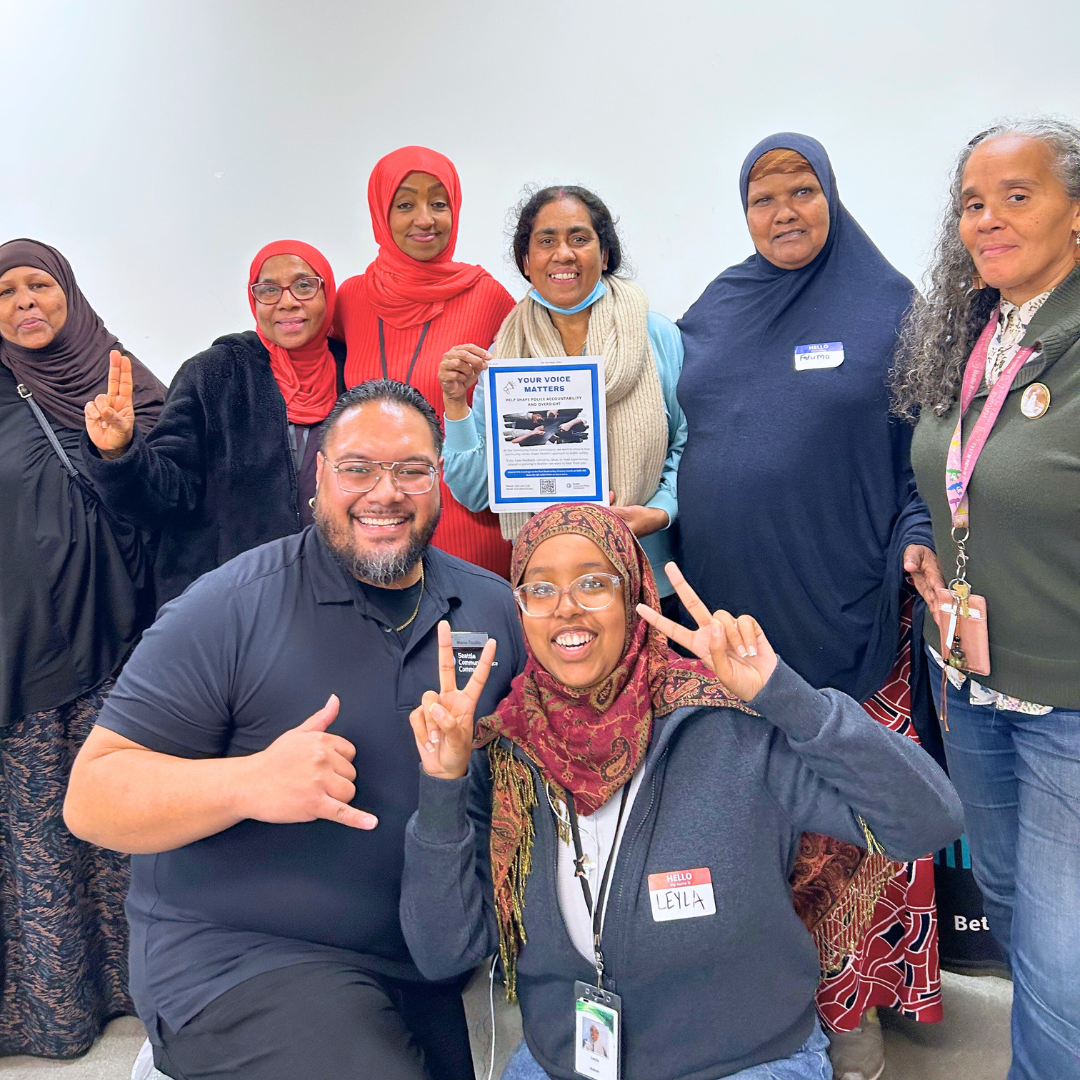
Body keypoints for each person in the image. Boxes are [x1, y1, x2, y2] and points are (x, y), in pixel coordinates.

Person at [400, 503, 962, 1080]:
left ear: (635, 596)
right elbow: (444, 953)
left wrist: (786, 697)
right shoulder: (508, 753)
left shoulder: (729, 723)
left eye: (593, 583)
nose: (566, 607)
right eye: (541, 589)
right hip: (564, 1062)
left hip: (743, 1062)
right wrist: (443, 787)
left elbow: (930, 821)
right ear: (522, 611)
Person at [64, 380, 526, 1080]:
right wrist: (249, 782)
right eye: (358, 468)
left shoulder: (489, 610)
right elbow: (92, 798)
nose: (385, 493)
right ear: (320, 475)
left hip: (417, 962)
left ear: (440, 479)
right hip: (240, 961)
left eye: (411, 470)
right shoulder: (230, 607)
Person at [676, 133, 946, 1076]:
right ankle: (767, 1004)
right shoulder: (713, 309)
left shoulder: (889, 308)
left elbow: (928, 445)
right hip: (729, 620)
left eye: (801, 191)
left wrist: (919, 531)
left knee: (856, 825)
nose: (784, 211)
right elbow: (672, 436)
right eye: (764, 199)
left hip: (847, 607)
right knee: (752, 827)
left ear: (831, 193)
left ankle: (854, 1007)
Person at [893, 116, 1080, 1080]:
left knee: (1060, 961)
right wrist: (928, 543)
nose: (988, 219)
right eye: (973, 201)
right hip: (970, 680)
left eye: (1019, 195)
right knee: (1008, 903)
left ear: (1077, 215)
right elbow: (946, 471)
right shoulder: (971, 323)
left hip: (1067, 700)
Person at [0, 238, 164, 1057]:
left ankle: (145, 991)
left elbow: (174, 498)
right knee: (43, 835)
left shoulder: (120, 375)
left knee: (125, 825)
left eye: (40, 285)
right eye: (6, 291)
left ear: (68, 291)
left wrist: (118, 449)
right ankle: (56, 1015)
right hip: (22, 661)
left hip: (127, 648)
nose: (26, 302)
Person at [438, 185, 687, 610]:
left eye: (579, 238)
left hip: (651, 580)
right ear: (526, 261)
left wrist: (660, 512)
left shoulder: (655, 336)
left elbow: (690, 442)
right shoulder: (505, 356)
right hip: (550, 592)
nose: (564, 254)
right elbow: (478, 492)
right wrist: (456, 405)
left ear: (604, 254)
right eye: (546, 241)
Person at [82, 239, 346, 606]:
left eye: (304, 285)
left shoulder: (356, 372)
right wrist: (120, 452)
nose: (287, 301)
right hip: (234, 604)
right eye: (268, 290)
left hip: (340, 593)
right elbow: (167, 495)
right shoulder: (215, 373)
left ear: (327, 292)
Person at [335, 146, 516, 577]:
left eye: (439, 203)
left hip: (467, 521)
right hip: (378, 519)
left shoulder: (489, 298)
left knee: (474, 640)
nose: (425, 219)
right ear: (381, 213)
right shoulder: (350, 299)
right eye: (405, 204)